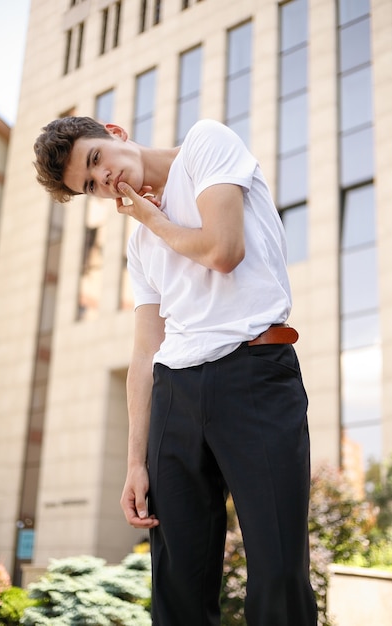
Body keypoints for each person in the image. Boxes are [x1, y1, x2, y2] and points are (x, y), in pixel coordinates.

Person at [34, 116, 318, 626]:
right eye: (92, 185)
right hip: (174, 397)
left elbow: (223, 250)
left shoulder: (206, 146)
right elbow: (145, 352)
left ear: (116, 133)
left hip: (254, 374)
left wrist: (152, 221)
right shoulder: (139, 248)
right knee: (178, 586)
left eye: (98, 160)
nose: (106, 181)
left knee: (278, 571)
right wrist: (135, 461)